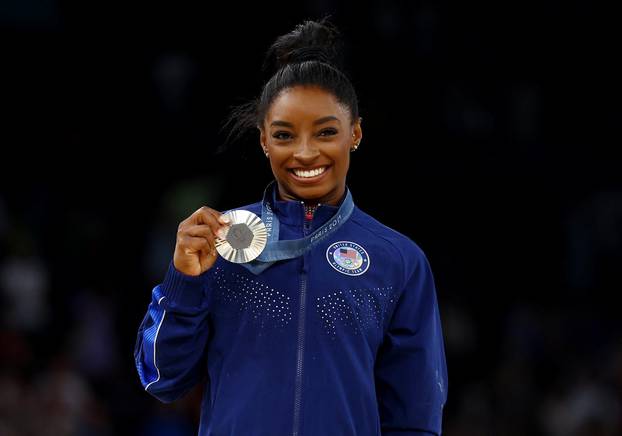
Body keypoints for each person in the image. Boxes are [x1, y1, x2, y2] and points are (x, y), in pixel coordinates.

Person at [134, 18, 448, 436]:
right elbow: (162, 379)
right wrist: (184, 282)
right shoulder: (217, 246)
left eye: (325, 132)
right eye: (284, 135)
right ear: (264, 139)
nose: (304, 153)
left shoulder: (398, 261)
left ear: (354, 133)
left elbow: (416, 417)